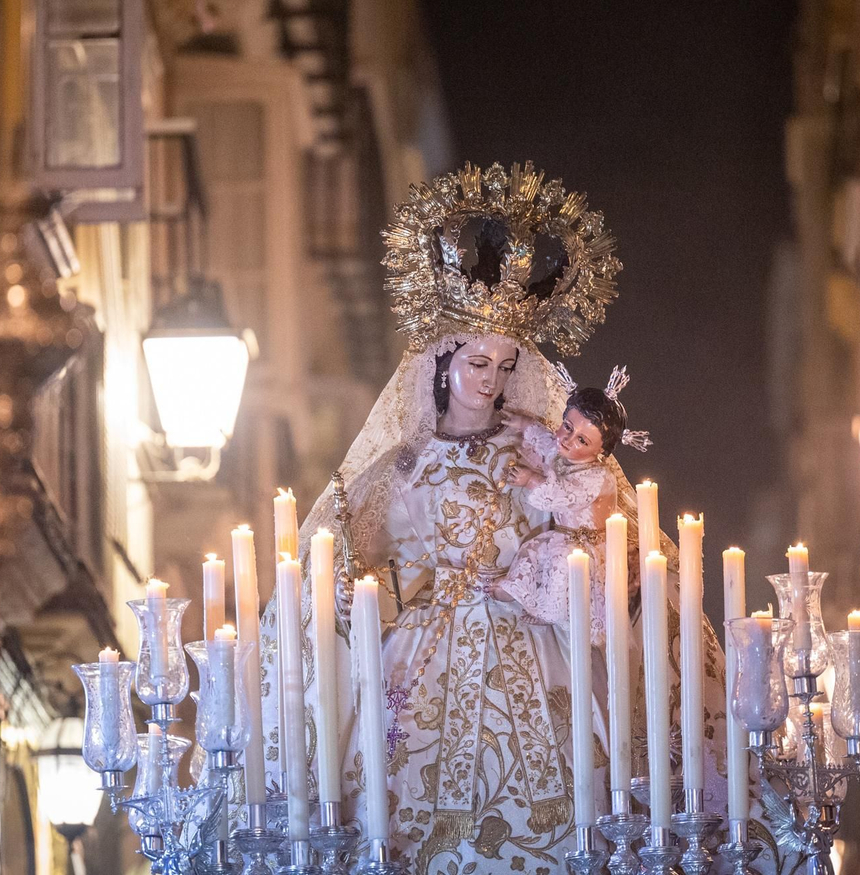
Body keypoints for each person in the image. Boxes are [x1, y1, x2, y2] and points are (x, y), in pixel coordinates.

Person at [260, 164, 753, 875]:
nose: (490, 378)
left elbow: (608, 522)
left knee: (583, 803)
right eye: (476, 361)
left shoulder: (541, 442)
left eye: (503, 363)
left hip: (536, 633)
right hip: (422, 656)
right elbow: (347, 557)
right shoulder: (400, 464)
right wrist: (350, 588)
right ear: (441, 360)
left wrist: (603, 551)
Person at [497, 366, 650, 645]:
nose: (567, 440)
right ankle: (515, 590)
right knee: (534, 551)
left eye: (582, 440)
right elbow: (546, 442)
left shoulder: (598, 477)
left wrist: (532, 480)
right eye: (567, 426)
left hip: (588, 548)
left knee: (562, 565)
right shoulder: (563, 453)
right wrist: (524, 425)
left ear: (601, 451)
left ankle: (552, 612)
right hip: (564, 536)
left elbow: (565, 494)